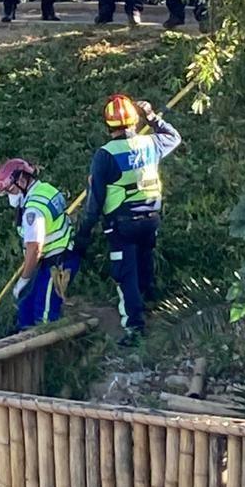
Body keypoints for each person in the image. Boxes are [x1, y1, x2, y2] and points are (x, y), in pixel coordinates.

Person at [74, 95, 181, 344]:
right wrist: (153, 119)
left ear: (108, 125)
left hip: (122, 224)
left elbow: (95, 200)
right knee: (145, 262)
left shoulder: (105, 155)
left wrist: (84, 232)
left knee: (125, 275)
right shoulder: (150, 143)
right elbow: (174, 138)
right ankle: (150, 303)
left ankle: (134, 328)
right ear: (134, 120)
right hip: (151, 219)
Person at [0, 158, 79, 328]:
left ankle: (48, 353)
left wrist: (23, 280)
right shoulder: (46, 189)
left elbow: (34, 249)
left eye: (11, 191)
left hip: (57, 262)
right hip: (52, 258)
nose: (10, 196)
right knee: (25, 308)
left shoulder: (33, 210)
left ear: (22, 181)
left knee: (44, 318)